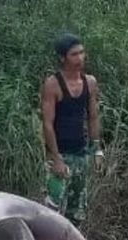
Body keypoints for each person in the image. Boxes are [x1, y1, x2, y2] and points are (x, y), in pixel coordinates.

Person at [41, 33, 104, 227]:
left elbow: (93, 116)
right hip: (60, 153)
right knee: (52, 209)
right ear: (63, 58)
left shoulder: (90, 82)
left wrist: (97, 148)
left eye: (82, 53)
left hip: (81, 153)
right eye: (74, 54)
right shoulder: (53, 84)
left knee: (77, 211)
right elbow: (47, 124)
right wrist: (56, 158)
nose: (80, 58)